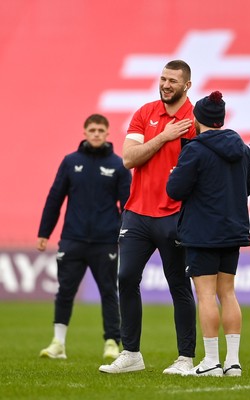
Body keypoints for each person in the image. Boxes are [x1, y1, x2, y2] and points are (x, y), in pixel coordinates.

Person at [99, 60, 197, 375]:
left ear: (187, 86)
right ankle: (131, 354)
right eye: (163, 79)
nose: (166, 84)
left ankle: (185, 358)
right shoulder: (145, 112)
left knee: (179, 285)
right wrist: (164, 136)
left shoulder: (194, 121)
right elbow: (128, 158)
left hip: (175, 216)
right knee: (126, 277)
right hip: (137, 214)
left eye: (173, 81)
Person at [166, 91, 250, 377]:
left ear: (197, 118)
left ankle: (212, 361)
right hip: (233, 228)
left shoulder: (194, 149)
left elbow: (175, 190)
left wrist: (175, 173)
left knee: (205, 296)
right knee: (227, 293)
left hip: (203, 231)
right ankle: (233, 362)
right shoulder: (241, 147)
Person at [38, 114, 132, 361]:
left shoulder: (118, 165)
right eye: (92, 129)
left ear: (107, 133)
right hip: (73, 239)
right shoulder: (70, 162)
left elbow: (128, 205)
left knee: (109, 292)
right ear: (85, 132)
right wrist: (43, 233)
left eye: (101, 129)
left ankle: (112, 342)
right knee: (65, 291)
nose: (97, 133)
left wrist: (122, 235)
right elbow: (54, 198)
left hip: (105, 242)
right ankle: (58, 343)